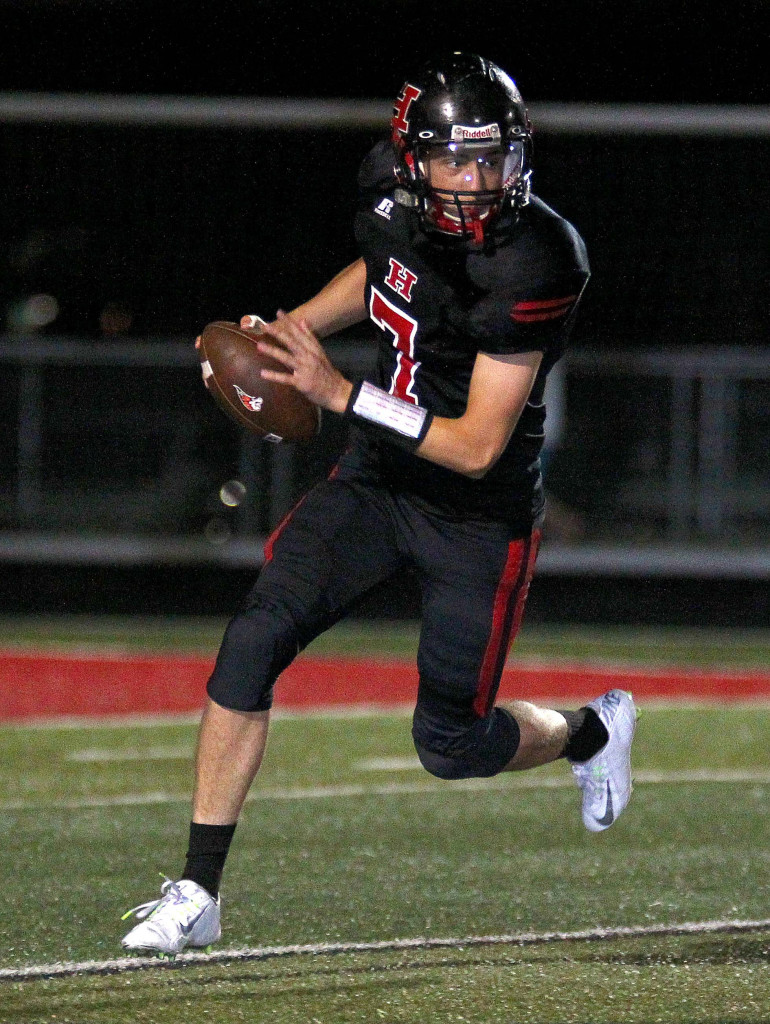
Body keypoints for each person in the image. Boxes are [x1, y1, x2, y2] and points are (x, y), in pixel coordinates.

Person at [121, 52, 637, 957]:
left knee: (451, 743)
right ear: (412, 161)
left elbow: (476, 446)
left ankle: (591, 731)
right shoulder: (388, 196)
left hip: (477, 516)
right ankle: (198, 889)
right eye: (454, 160)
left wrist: (339, 393)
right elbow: (380, 273)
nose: (476, 181)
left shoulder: (539, 257)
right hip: (376, 482)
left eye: (492, 158)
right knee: (252, 641)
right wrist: (295, 332)